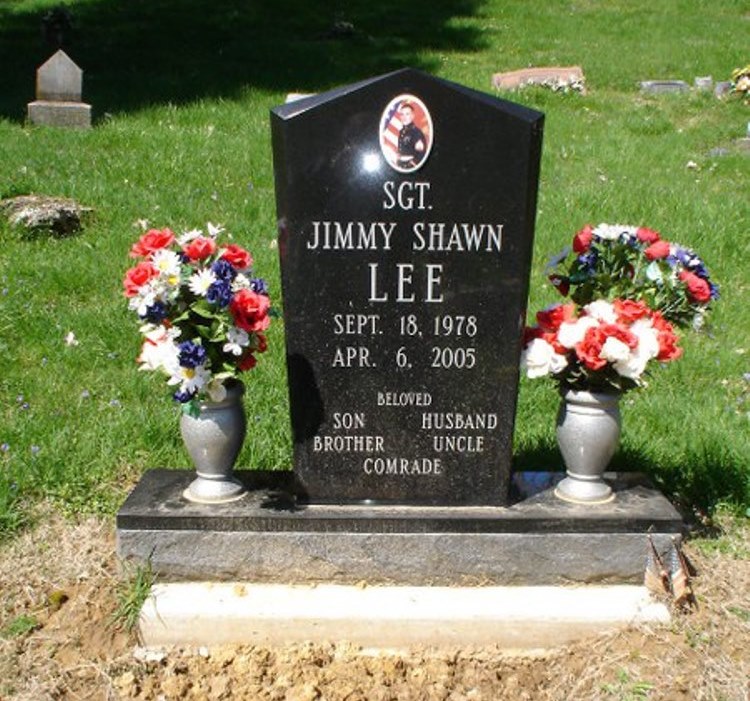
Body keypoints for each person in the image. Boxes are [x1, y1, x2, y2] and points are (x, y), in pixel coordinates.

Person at [397, 103, 426, 168]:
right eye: (402, 114)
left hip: (409, 165)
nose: (404, 117)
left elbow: (421, 153)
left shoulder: (415, 132)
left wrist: (412, 164)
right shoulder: (402, 132)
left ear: (412, 116)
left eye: (407, 114)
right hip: (401, 164)